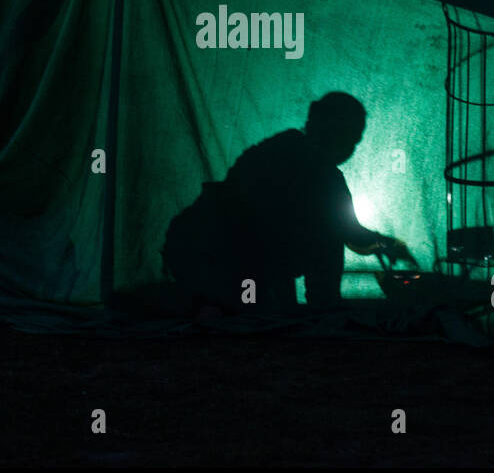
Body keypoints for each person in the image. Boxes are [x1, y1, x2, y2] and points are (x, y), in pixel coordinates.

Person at [162, 93, 413, 314]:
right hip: (219, 258)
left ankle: (220, 304)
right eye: (353, 137)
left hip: (192, 251)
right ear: (336, 131)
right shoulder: (321, 174)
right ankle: (317, 307)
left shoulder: (278, 150)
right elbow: (347, 233)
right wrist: (386, 244)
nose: (353, 147)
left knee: (246, 309)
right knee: (260, 306)